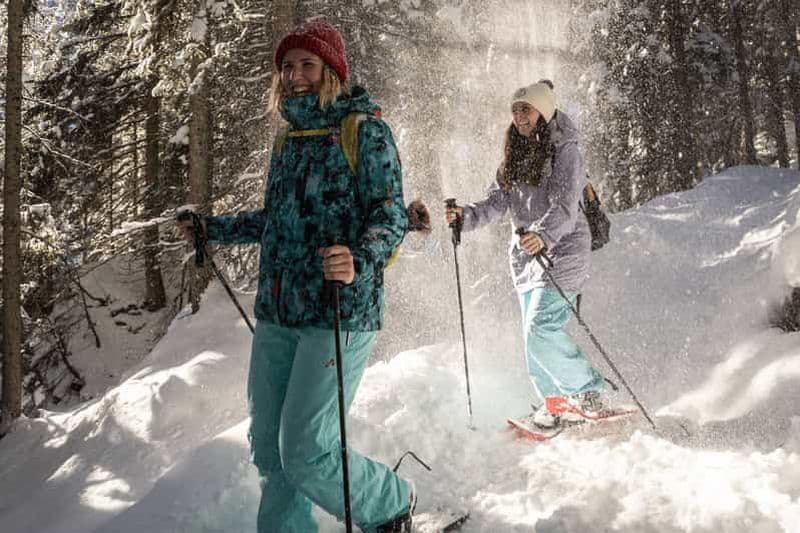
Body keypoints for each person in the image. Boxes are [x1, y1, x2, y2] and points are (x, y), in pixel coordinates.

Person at [179, 20, 414, 533]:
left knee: (307, 451)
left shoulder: (364, 130)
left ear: (330, 70)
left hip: (339, 310)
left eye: (307, 64)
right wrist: (210, 229)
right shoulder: (288, 139)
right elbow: (274, 221)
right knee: (268, 449)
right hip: (279, 309)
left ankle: (391, 505)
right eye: (287, 67)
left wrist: (358, 256)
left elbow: (390, 216)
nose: (294, 75)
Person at [444, 80, 605, 429]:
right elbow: (496, 202)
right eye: (515, 110)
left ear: (543, 111)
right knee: (532, 341)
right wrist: (466, 217)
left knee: (539, 330)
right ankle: (556, 402)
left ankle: (588, 391)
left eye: (526, 109)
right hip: (526, 259)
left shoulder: (566, 151)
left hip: (564, 251)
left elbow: (566, 206)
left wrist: (543, 235)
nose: (519, 116)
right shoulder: (514, 152)